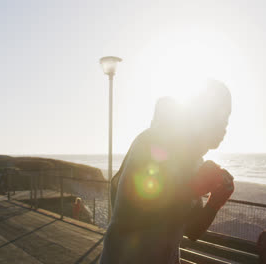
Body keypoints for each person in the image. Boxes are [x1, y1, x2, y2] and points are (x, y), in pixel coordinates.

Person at [100, 80, 234, 264]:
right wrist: (193, 189)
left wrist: (215, 201)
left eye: (227, 117)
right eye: (219, 114)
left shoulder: (195, 161)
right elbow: (135, 213)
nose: (225, 125)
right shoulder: (153, 142)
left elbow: (192, 230)